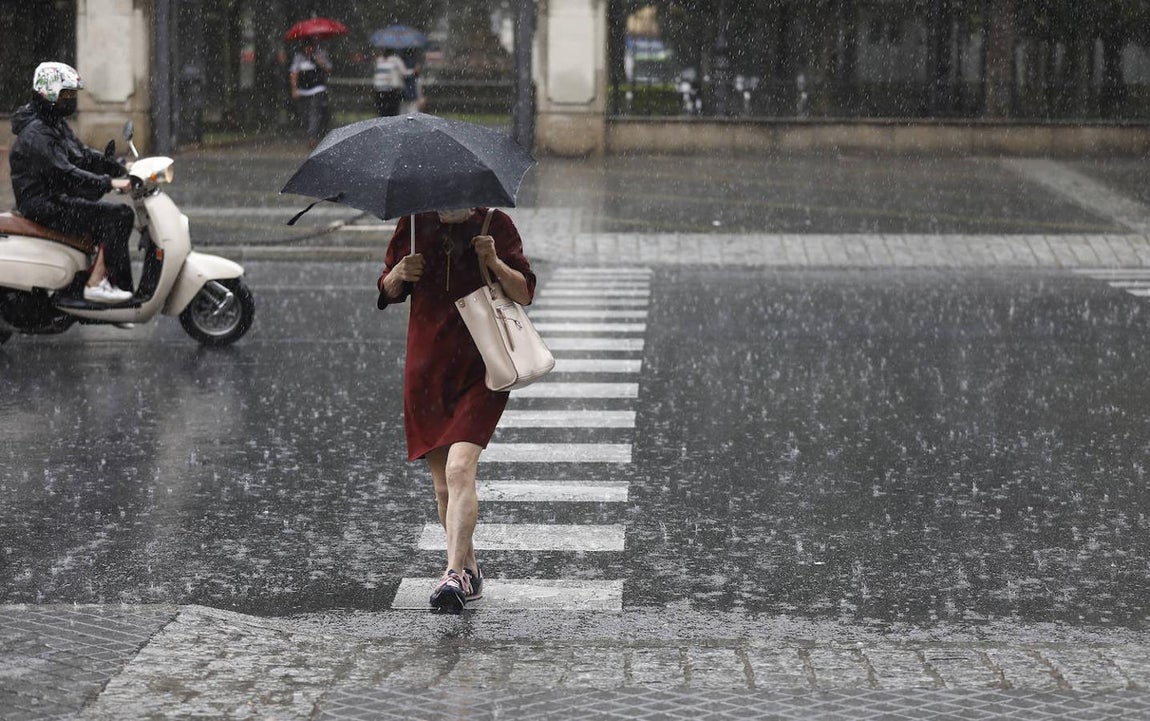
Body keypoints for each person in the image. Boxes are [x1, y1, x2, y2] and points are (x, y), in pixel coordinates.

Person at [377, 207, 536, 613]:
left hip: (482, 369)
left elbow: (525, 292)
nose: (456, 204)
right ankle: (470, 571)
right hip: (427, 371)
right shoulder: (412, 223)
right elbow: (386, 289)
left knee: (460, 468)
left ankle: (452, 574)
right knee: (443, 487)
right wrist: (399, 274)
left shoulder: (493, 225)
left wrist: (494, 261)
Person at [8, 62, 134, 304]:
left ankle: (105, 285)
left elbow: (80, 154)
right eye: (66, 94)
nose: (71, 100)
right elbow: (66, 173)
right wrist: (109, 183)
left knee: (116, 216)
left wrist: (116, 166)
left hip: (53, 199)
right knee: (117, 216)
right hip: (43, 206)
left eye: (72, 94)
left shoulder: (52, 122)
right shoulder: (37, 133)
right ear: (49, 93)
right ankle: (97, 284)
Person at [289, 42, 333, 146]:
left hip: (317, 89)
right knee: (305, 114)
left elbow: (329, 68)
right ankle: (312, 133)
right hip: (303, 90)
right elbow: (294, 73)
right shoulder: (299, 57)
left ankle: (313, 137)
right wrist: (294, 88)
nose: (308, 49)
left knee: (315, 113)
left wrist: (320, 62)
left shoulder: (320, 54)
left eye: (310, 46)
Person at [372, 47, 409, 117]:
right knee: (393, 111)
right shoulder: (396, 60)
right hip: (391, 89)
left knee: (382, 111)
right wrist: (413, 72)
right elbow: (404, 72)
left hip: (379, 89)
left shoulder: (379, 60)